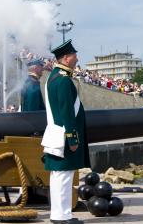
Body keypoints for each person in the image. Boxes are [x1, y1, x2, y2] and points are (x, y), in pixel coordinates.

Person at [44, 40, 90, 224]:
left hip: (56, 134)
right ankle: (62, 216)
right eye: (74, 55)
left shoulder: (54, 77)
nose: (77, 58)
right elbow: (66, 112)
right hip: (64, 136)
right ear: (65, 58)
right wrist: (72, 137)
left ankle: (58, 214)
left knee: (58, 177)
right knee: (63, 177)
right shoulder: (62, 81)